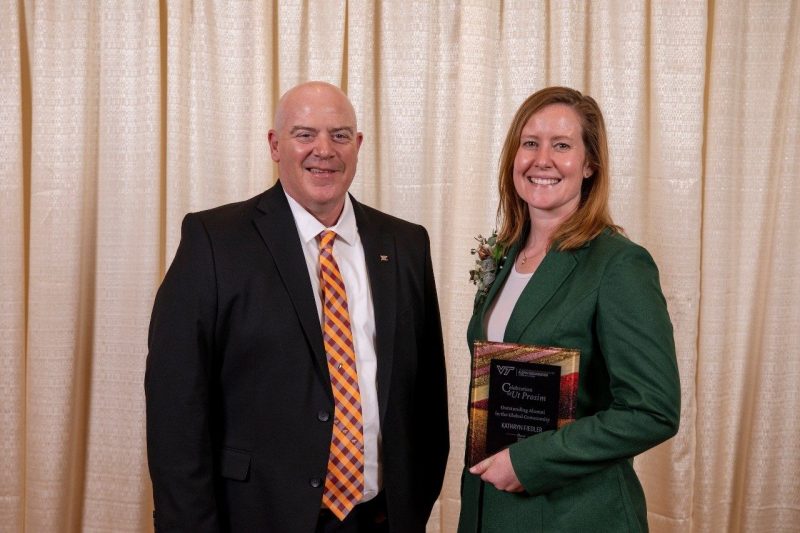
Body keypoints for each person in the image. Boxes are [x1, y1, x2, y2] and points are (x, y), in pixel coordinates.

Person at [145, 81, 449, 532]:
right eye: (305, 134)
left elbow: (427, 400)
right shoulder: (214, 242)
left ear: (358, 145)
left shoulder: (405, 244)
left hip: (381, 519)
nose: (323, 150)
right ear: (275, 145)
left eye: (340, 135)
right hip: (256, 519)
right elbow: (176, 413)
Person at [458, 86, 680, 532]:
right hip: (491, 508)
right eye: (530, 143)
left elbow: (652, 410)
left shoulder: (618, 264)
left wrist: (528, 460)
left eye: (562, 145)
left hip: (576, 514)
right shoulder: (504, 254)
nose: (542, 159)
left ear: (589, 164)